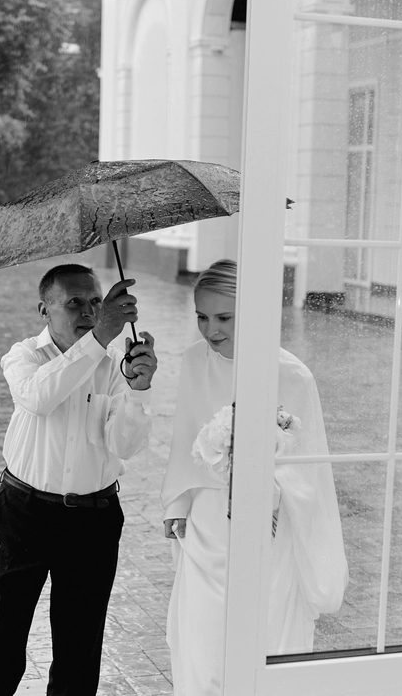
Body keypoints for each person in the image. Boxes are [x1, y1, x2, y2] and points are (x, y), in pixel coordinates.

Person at [160, 259, 347, 694]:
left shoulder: (292, 375)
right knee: (204, 641)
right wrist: (177, 503)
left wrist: (267, 481)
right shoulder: (193, 361)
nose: (211, 330)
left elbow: (309, 467)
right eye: (202, 317)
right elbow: (184, 437)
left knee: (263, 632)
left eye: (224, 318)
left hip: (268, 524)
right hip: (207, 524)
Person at [0, 263, 158, 696]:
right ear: (45, 309)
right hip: (22, 515)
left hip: (93, 520)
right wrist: (98, 339)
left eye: (96, 301)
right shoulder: (23, 356)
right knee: (1, 649)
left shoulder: (115, 364)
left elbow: (125, 445)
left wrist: (139, 390)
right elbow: (39, 398)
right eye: (74, 302)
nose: (89, 311)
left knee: (79, 656)